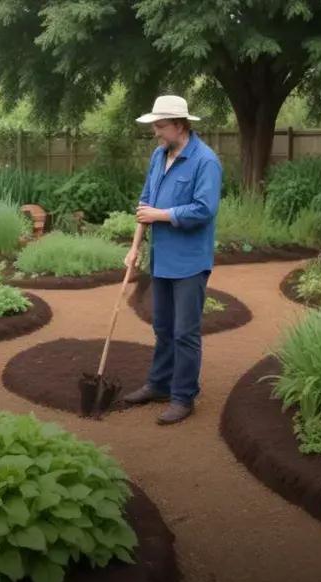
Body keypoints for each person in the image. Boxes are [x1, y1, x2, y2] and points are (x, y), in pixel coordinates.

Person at [122, 95, 222, 425]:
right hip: (161, 259)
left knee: (185, 333)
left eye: (160, 126)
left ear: (180, 125)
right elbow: (145, 205)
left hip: (190, 262)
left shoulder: (205, 161)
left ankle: (183, 397)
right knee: (162, 327)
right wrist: (135, 248)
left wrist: (161, 215)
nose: (155, 132)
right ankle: (159, 385)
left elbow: (204, 210)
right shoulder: (159, 155)